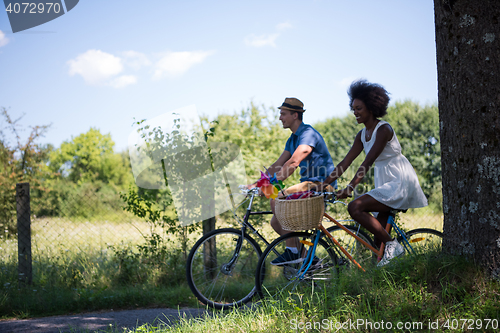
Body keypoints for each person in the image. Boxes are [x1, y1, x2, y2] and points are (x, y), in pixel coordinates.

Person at [319, 80, 428, 266]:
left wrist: (350, 187)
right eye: (353, 108)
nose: (355, 112)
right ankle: (386, 270)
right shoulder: (361, 135)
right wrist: (322, 184)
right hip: (385, 181)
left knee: (355, 207)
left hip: (399, 180)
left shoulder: (383, 129)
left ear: (371, 107)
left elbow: (368, 161)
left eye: (359, 108)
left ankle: (394, 245)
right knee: (378, 243)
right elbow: (345, 162)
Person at [248, 97, 336, 265]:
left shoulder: (308, 134)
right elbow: (277, 165)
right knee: (276, 222)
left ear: (295, 115)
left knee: (279, 199)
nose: (280, 117)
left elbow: (294, 162)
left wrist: (271, 184)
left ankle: (293, 252)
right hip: (308, 185)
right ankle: (308, 259)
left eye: (283, 114)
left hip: (321, 184)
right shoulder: (293, 139)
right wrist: (256, 184)